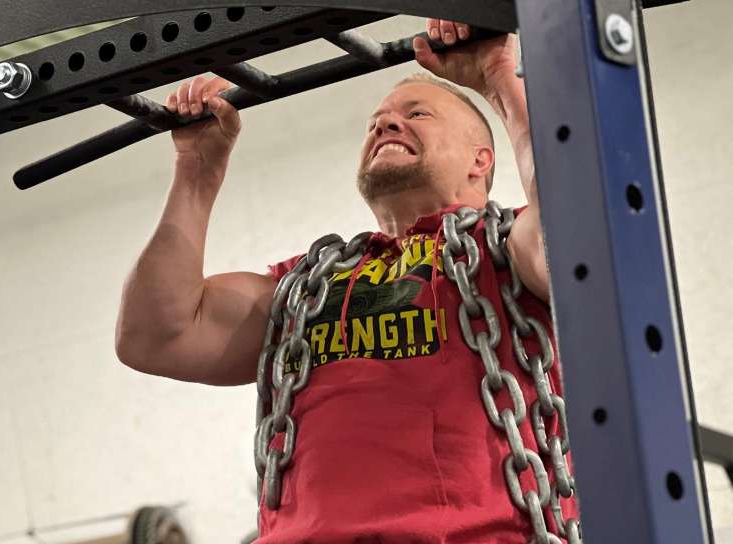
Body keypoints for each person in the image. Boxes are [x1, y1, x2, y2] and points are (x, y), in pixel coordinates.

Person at [115, 17, 575, 543]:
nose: (385, 125)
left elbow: (581, 237)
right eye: (376, 122)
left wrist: (499, 77)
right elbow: (155, 334)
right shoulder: (306, 286)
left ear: (481, 160)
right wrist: (197, 173)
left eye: (415, 113)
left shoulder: (511, 250)